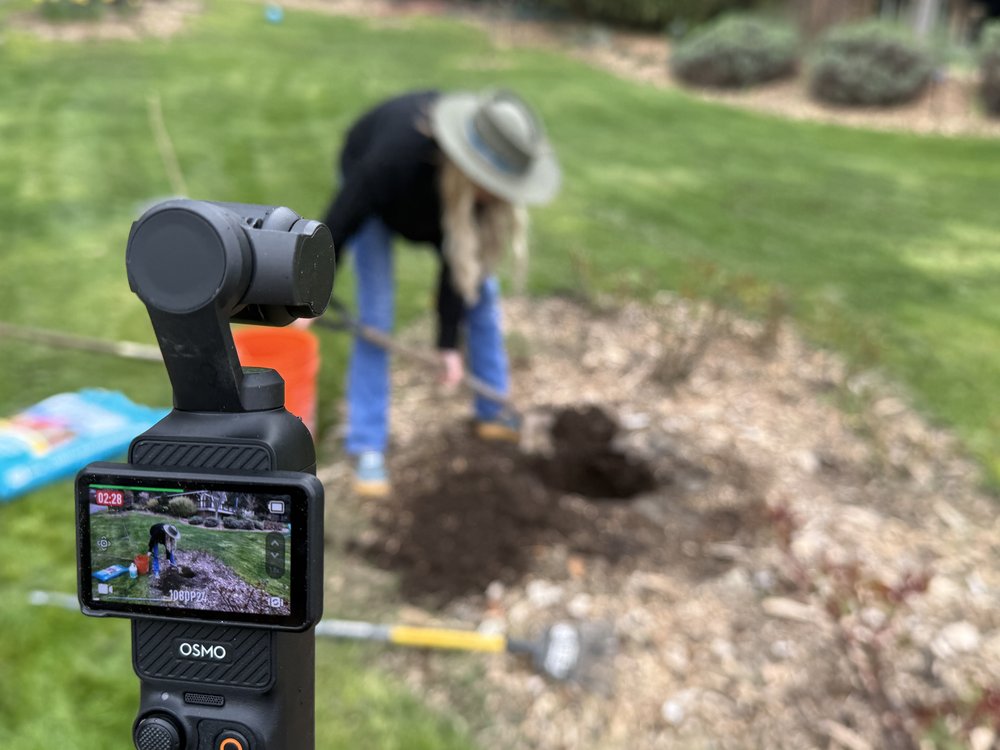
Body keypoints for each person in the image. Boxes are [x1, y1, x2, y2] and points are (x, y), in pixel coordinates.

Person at [321, 88, 561, 497]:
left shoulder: (484, 196)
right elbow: (338, 222)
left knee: (481, 293)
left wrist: (447, 344)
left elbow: (460, 269)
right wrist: (310, 291)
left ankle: (493, 410)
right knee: (375, 314)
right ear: (472, 166)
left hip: (441, 208)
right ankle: (367, 444)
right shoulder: (394, 159)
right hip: (378, 204)